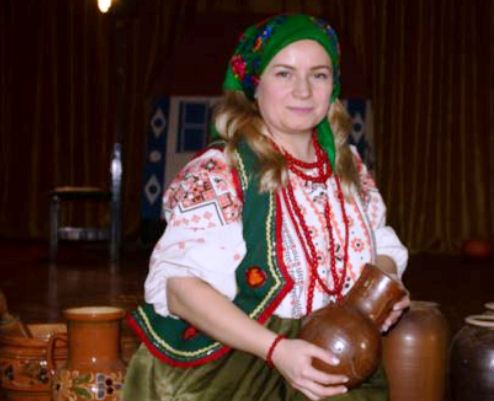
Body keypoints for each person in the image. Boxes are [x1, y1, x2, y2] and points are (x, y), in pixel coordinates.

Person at [123, 13, 410, 401]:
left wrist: (380, 292)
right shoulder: (221, 171)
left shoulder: (348, 166)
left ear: (334, 86)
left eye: (319, 75)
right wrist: (277, 349)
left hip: (334, 357)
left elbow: (380, 245)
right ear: (254, 85)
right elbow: (180, 289)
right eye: (284, 74)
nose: (303, 91)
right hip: (241, 361)